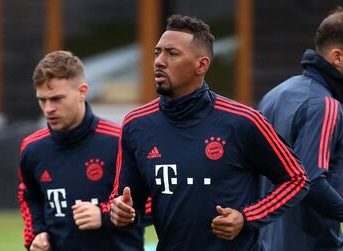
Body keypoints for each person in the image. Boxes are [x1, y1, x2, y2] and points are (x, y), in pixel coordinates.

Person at [109, 14, 309, 251]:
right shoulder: (136, 124)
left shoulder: (243, 121)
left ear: (201, 65)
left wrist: (246, 217)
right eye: (157, 52)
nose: (159, 61)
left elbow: (297, 179)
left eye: (172, 54)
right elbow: (126, 203)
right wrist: (121, 211)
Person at [17, 51, 145, 251]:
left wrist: (104, 216)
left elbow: (150, 202)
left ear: (82, 91)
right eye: (42, 100)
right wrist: (36, 234)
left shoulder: (119, 141)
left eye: (57, 98)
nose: (48, 108)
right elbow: (28, 195)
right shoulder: (32, 148)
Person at [258, 7, 343, 251]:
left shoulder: (275, 94)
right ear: (337, 57)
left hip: (267, 243)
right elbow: (312, 181)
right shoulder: (325, 105)